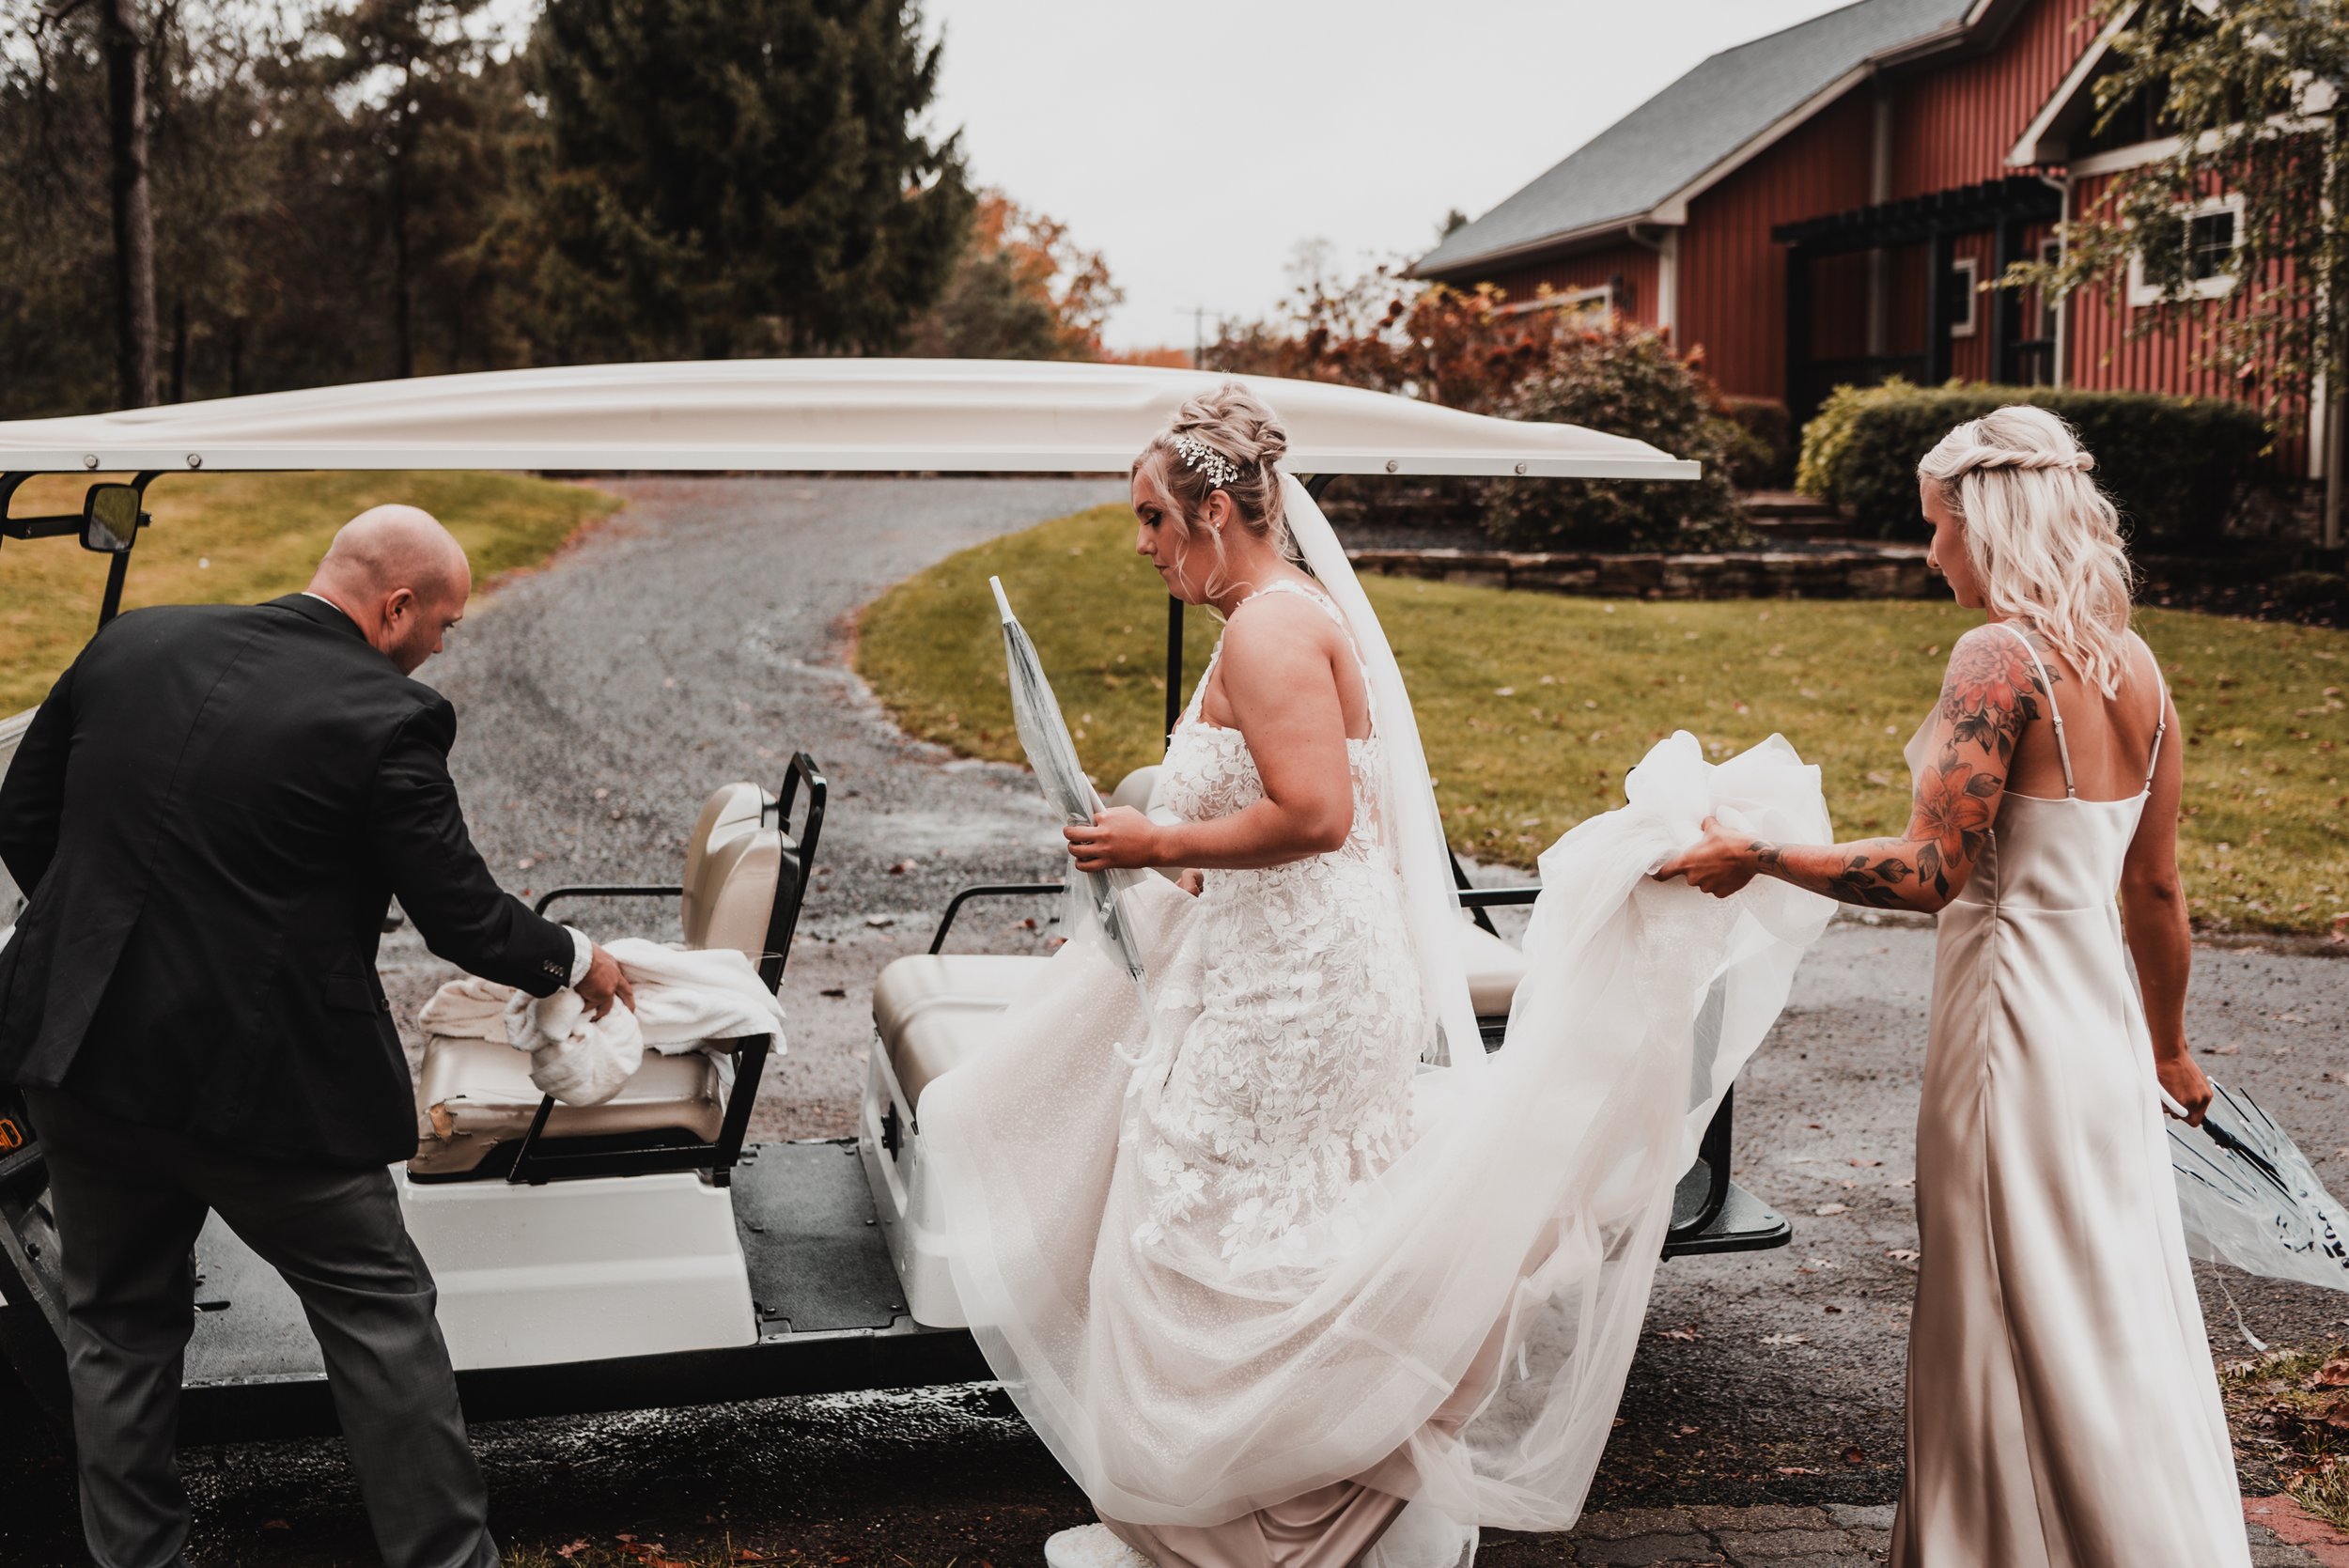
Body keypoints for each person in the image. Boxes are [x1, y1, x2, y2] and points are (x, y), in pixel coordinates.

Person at [920, 385, 1834, 1568]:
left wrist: (1156, 842)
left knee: (1209, 1227)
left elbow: (1314, 812)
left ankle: (1268, 1525)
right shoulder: (1261, 612)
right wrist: (1147, 852)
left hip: (1299, 986)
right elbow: (1270, 807)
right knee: (1234, 1218)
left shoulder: (1267, 627)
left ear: (1210, 509)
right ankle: (1245, 1503)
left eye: (1151, 519)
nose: (1140, 545)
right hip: (1271, 958)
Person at [1656, 406, 2248, 1567]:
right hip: (2100, 1033)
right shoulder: (2138, 668)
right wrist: (2169, 1051)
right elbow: (2158, 892)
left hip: (2007, 1027)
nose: (1931, 556)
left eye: (1938, 530)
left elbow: (1934, 873)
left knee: (1992, 1298)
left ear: (1989, 522)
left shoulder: (1997, 659)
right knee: (2104, 1307)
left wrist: (1761, 855)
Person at [0, 505, 631, 1568]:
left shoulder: (134, 644)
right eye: (444, 623)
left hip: (85, 1059)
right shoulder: (388, 716)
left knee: (118, 1328)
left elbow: (21, 815)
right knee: (381, 1314)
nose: (443, 645)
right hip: (265, 1092)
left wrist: (108, 940)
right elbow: (463, 916)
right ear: (394, 607)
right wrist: (577, 957)